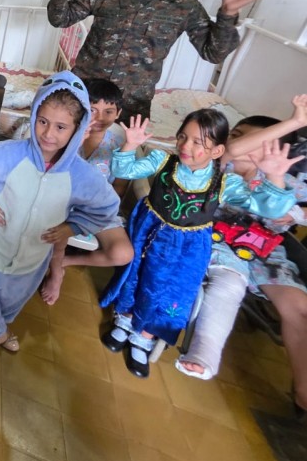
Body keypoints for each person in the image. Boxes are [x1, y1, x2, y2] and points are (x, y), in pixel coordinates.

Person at [99, 110, 297, 378]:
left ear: (217, 151)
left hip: (188, 248)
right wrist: (130, 145)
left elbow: (267, 207)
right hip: (150, 233)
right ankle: (124, 322)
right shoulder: (162, 160)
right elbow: (122, 169)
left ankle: (143, 338)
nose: (185, 146)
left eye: (197, 142)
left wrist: (275, 177)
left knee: (172, 292)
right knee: (136, 276)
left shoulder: (225, 183)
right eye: (183, 137)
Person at [46, 0, 279, 119]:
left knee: (118, 162)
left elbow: (213, 53)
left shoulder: (184, 6)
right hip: (83, 92)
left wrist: (228, 13)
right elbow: (60, 19)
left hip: (129, 105)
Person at [0, 72, 121, 357]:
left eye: (61, 127)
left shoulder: (81, 175)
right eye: (43, 121)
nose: (48, 134)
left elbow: (106, 206)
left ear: (76, 129)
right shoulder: (10, 153)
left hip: (32, 260)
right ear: (34, 115)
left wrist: (73, 227)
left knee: (10, 303)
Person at [175, 98, 307, 416]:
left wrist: (295, 214)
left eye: (258, 141)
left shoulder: (284, 181)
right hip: (215, 240)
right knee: (224, 287)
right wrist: (294, 121)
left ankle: (303, 390)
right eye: (237, 135)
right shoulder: (222, 167)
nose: (241, 143)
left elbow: (297, 207)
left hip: (264, 253)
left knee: (300, 309)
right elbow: (232, 151)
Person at [38, 77, 134, 305]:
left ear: (118, 113)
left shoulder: (119, 144)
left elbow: (118, 188)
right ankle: (56, 274)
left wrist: (94, 214)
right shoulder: (67, 134)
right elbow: (50, 170)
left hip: (98, 208)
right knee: (61, 231)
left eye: (108, 111)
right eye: (92, 110)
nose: (100, 118)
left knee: (123, 253)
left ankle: (66, 262)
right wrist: (75, 143)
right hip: (64, 203)